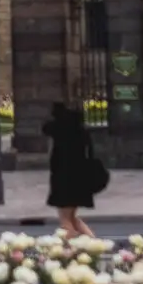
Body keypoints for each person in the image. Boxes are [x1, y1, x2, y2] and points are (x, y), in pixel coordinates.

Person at [44, 102, 105, 238]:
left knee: (65, 219)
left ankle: (72, 249)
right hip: (81, 180)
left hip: (64, 181)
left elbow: (46, 128)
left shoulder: (60, 130)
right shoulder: (82, 132)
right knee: (72, 217)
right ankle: (92, 242)